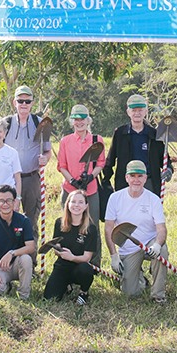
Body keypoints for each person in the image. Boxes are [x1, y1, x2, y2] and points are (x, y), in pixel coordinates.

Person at [104, 160, 168, 301]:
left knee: (162, 251)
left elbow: (161, 229)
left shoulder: (153, 199)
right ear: (127, 178)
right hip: (129, 249)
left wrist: (157, 244)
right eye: (132, 176)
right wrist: (113, 255)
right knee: (130, 294)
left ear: (145, 178)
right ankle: (139, 278)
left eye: (140, 176)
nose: (136, 180)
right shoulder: (115, 198)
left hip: (150, 243)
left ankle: (158, 295)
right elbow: (108, 228)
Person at [57, 104, 106, 266]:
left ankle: (94, 263)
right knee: (68, 225)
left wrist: (91, 176)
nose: (79, 123)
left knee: (92, 226)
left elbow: (100, 162)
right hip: (70, 190)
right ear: (72, 122)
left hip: (90, 190)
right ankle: (68, 261)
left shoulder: (96, 140)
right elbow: (61, 165)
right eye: (76, 120)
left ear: (88, 120)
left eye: (82, 119)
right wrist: (72, 180)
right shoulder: (65, 141)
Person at [3, 86, 51, 231]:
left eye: (27, 101)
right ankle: (11, 252)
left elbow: (47, 151)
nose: (24, 104)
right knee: (8, 218)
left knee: (31, 221)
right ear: (14, 102)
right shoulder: (6, 124)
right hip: (9, 179)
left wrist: (46, 159)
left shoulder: (41, 123)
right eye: (20, 101)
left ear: (32, 103)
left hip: (31, 179)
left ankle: (30, 253)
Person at [103, 94, 167, 196]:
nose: (137, 113)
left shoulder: (154, 135)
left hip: (149, 182)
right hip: (125, 182)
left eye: (140, 110)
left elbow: (164, 160)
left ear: (146, 111)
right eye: (134, 110)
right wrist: (106, 180)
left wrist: (169, 170)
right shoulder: (120, 133)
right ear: (128, 112)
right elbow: (110, 160)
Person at [43, 189, 99, 305]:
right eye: (73, 202)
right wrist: (59, 251)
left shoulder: (91, 229)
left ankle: (84, 292)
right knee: (49, 298)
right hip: (62, 266)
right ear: (67, 204)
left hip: (79, 266)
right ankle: (66, 285)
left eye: (80, 202)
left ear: (86, 206)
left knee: (86, 269)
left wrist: (71, 257)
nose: (76, 205)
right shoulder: (59, 223)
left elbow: (87, 257)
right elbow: (56, 246)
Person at [0, 185, 36, 299]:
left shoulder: (23, 221)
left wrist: (12, 253)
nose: (5, 204)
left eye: (9, 200)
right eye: (1, 201)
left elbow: (31, 247)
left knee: (26, 259)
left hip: (17, 263)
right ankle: (6, 286)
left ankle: (24, 295)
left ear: (15, 202)